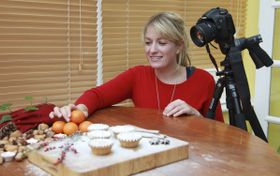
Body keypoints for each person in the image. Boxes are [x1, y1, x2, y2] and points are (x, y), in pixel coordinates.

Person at [49, 12, 224, 122]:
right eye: (148, 43)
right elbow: (97, 95)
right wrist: (80, 109)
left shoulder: (203, 80)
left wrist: (196, 117)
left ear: (179, 46)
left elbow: (219, 135)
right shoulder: (137, 76)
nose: (152, 50)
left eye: (162, 43)